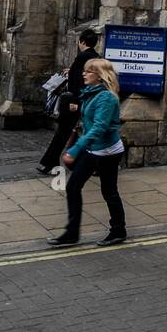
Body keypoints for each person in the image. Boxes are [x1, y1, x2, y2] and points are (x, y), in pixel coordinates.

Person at [48, 58, 127, 247]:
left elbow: (99, 127)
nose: (84, 74)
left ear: (100, 76)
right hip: (93, 148)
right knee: (73, 187)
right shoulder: (92, 94)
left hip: (107, 150)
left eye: (89, 71)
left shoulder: (105, 98)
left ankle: (118, 230)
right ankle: (71, 233)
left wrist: (75, 149)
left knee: (109, 191)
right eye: (85, 70)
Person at [37, 31, 100, 175]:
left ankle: (48, 164)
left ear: (82, 42)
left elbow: (76, 83)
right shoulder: (96, 58)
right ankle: (93, 165)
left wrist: (75, 101)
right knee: (88, 133)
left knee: (62, 133)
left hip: (75, 102)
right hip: (90, 102)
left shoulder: (81, 57)